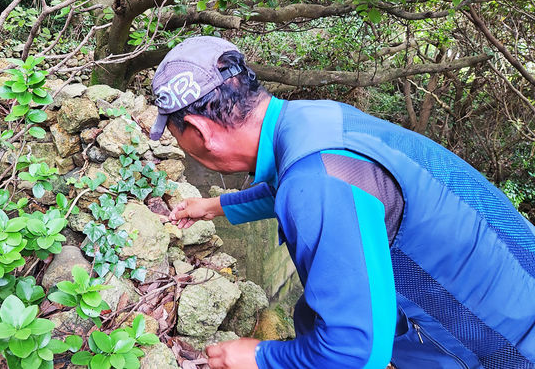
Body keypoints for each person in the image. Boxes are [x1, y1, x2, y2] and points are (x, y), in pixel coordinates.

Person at [148, 36, 535, 369]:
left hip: (505, 348)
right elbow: (293, 185)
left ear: (199, 130)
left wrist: (261, 357)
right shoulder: (313, 122)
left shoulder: (316, 182)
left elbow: (357, 353)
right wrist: (214, 206)